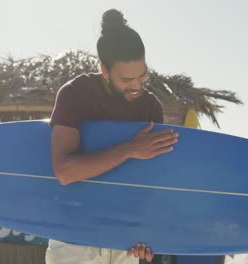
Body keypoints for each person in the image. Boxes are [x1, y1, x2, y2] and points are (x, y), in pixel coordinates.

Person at [47, 8, 179, 264]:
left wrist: (145, 234)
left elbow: (148, 183)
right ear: (105, 71)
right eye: (127, 79)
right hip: (76, 237)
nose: (137, 86)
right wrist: (129, 149)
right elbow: (64, 171)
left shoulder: (150, 107)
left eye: (143, 76)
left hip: (123, 240)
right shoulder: (75, 94)